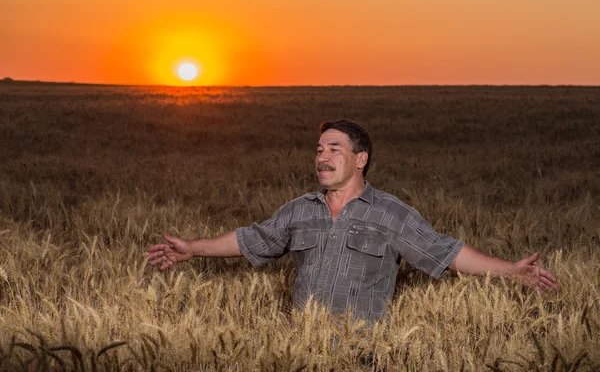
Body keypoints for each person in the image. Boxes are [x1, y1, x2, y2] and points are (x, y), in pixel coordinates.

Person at [146, 120, 558, 323]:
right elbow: (253, 238)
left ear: (360, 159)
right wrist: (192, 248)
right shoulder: (299, 209)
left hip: (361, 356)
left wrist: (511, 272)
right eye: (319, 149)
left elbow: (446, 252)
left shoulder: (391, 213)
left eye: (334, 149)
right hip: (299, 351)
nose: (321, 157)